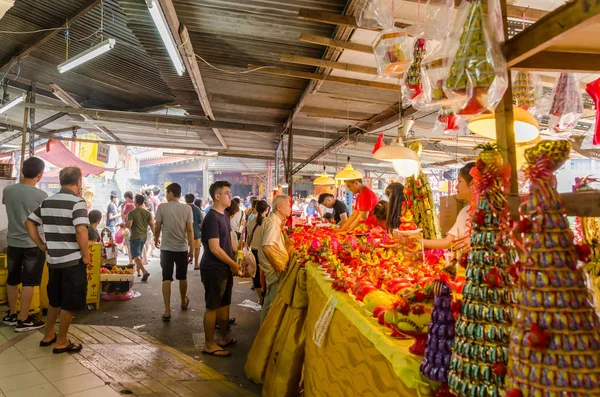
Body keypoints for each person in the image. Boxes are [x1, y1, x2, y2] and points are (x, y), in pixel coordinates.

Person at [26, 167, 88, 353]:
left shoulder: (47, 201)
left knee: (54, 300)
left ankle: (49, 335)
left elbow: (29, 222)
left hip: (53, 261)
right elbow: (81, 231)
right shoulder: (78, 202)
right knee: (69, 303)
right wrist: (86, 255)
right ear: (78, 182)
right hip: (72, 262)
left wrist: (41, 244)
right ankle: (62, 341)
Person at [1, 157, 47, 331]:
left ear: (21, 170)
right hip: (32, 244)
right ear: (40, 175)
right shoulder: (41, 196)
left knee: (12, 279)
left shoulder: (9, 191)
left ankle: (12, 314)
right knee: (29, 282)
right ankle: (24, 319)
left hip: (12, 242)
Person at [200, 181, 240, 357]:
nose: (230, 196)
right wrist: (234, 264)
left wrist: (239, 256)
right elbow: (215, 248)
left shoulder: (223, 215)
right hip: (213, 268)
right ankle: (209, 344)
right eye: (227, 193)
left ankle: (223, 338)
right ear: (217, 196)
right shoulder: (211, 218)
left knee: (224, 304)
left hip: (224, 267)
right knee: (213, 306)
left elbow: (230, 242)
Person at [154, 183, 194, 321]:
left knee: (166, 278)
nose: (166, 195)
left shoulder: (162, 207)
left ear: (171, 193)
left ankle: (167, 311)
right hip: (182, 248)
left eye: (167, 193)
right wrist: (192, 249)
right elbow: (189, 229)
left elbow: (157, 227)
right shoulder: (187, 208)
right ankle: (183, 301)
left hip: (166, 249)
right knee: (182, 277)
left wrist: (155, 239)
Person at [424, 162, 475, 250]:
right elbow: (448, 241)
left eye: (460, 181)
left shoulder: (489, 213)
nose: (456, 186)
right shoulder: (464, 212)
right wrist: (419, 241)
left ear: (472, 184)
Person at [259, 194, 291, 323]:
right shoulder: (272, 223)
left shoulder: (274, 221)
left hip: (271, 269)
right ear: (279, 207)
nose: (290, 208)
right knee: (274, 303)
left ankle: (264, 331)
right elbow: (267, 247)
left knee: (269, 301)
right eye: (288, 205)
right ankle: (268, 336)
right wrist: (277, 266)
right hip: (273, 269)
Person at [246, 200, 269, 305]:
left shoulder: (251, 222)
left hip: (254, 251)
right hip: (265, 252)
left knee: (255, 275)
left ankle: (260, 299)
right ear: (267, 210)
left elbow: (249, 237)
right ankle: (266, 296)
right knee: (266, 274)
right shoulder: (268, 222)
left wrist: (246, 245)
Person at [128, 194, 154, 281]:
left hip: (135, 236)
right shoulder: (147, 213)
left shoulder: (132, 213)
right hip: (144, 236)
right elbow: (152, 225)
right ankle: (139, 273)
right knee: (139, 254)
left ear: (135, 202)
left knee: (136, 256)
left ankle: (144, 271)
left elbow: (129, 225)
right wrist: (155, 236)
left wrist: (123, 225)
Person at [185, 193, 203, 271]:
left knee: (185, 249)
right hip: (195, 232)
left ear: (185, 199)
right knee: (197, 248)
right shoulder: (197, 209)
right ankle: (196, 264)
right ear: (193, 200)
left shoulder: (183, 208)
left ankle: (184, 264)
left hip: (184, 233)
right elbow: (200, 222)